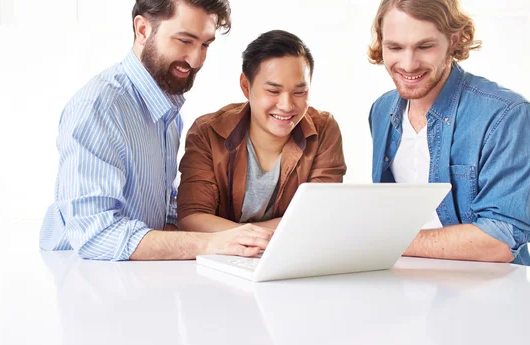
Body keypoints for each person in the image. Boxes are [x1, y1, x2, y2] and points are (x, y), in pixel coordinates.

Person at [40, 0, 273, 261]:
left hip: (135, 279)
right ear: (142, 30)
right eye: (185, 41)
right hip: (82, 276)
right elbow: (97, 235)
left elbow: (159, 214)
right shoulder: (99, 108)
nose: (196, 59)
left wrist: (239, 236)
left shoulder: (167, 111)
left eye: (205, 44)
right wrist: (211, 243)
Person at [368, 0, 530, 264]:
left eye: (425, 46)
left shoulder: (506, 114)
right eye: (395, 47)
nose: (408, 64)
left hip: (490, 294)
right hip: (406, 286)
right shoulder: (382, 110)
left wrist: (386, 241)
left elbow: (501, 240)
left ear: (453, 40)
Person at [177, 30, 346, 232]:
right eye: (273, 91)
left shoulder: (324, 130)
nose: (286, 105)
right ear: (246, 87)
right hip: (222, 257)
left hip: (292, 258)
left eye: (299, 92)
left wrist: (244, 234)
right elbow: (192, 218)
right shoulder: (208, 132)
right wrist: (257, 237)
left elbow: (318, 217)